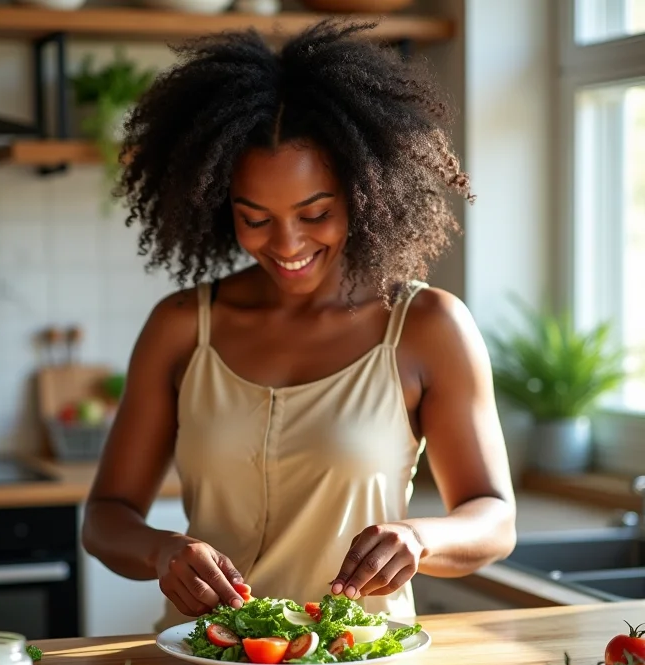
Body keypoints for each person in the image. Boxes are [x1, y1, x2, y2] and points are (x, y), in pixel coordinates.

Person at [82, 21, 517, 632]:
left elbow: (494, 518)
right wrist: (161, 551)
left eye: (315, 213)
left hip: (361, 664)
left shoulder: (426, 327)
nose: (286, 245)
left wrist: (419, 538)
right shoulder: (182, 327)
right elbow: (105, 516)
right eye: (254, 218)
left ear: (365, 194)